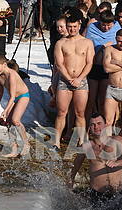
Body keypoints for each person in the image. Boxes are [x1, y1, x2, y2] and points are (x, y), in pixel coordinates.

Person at [70, 113, 122, 201]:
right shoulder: (86, 146)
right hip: (97, 195)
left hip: (118, 193)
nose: (96, 127)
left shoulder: (118, 140)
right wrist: (70, 182)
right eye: (93, 125)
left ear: (106, 125)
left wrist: (117, 163)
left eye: (99, 123)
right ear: (89, 128)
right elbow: (75, 166)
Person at [53, 13, 94, 150]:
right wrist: (69, 78)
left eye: (74, 26)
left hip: (81, 81)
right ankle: (56, 141)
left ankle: (82, 141)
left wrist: (79, 78)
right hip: (65, 81)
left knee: (80, 113)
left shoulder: (87, 42)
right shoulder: (61, 43)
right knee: (61, 112)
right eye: (69, 27)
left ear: (79, 25)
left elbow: (89, 63)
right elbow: (59, 64)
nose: (72, 30)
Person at [0, 54, 30, 157]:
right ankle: (14, 150)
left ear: (4, 64)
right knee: (8, 122)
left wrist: (5, 110)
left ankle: (26, 144)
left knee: (15, 120)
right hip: (13, 98)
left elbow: (12, 96)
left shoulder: (12, 75)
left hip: (22, 96)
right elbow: (0, 91)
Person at [85, 10, 121, 116]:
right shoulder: (92, 28)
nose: (106, 28)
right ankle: (87, 126)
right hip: (94, 66)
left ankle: (103, 126)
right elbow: (88, 46)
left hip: (107, 69)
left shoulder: (117, 28)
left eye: (108, 25)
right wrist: (103, 46)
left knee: (103, 99)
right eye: (103, 25)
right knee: (91, 99)